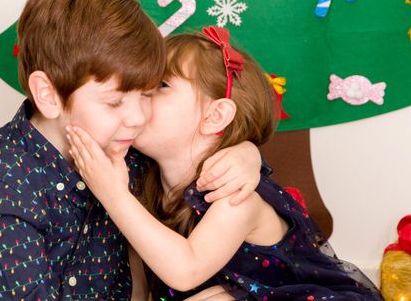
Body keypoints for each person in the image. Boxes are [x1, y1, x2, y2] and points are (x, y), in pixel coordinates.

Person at [0, 0, 262, 300]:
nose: (139, 117)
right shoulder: (4, 180)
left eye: (146, 95)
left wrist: (246, 156)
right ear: (49, 95)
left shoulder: (123, 148)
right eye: (114, 102)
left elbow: (188, 151)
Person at [67, 27, 384, 300]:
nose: (140, 95)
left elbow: (185, 269)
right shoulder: (139, 175)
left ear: (215, 116)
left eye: (161, 85)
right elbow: (137, 277)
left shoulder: (235, 197)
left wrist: (113, 194)